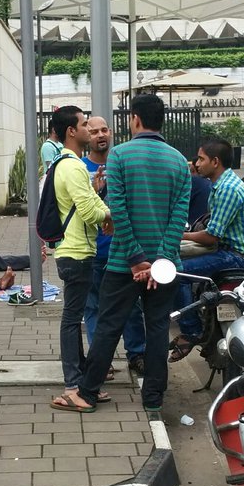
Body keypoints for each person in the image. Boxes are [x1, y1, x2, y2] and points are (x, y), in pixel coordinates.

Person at [54, 93, 191, 416]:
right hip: (164, 266)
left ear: (135, 119)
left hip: (122, 264)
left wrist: (135, 259)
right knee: (157, 328)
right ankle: (154, 398)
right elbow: (177, 219)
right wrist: (158, 261)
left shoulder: (119, 157)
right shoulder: (178, 162)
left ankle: (86, 394)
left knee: (108, 327)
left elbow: (119, 213)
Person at [170, 138, 244, 361]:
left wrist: (179, 234)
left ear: (216, 161)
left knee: (176, 274)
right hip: (227, 251)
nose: (197, 163)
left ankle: (191, 332)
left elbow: (211, 237)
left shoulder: (227, 189)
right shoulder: (220, 183)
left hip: (237, 257)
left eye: (201, 159)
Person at [48, 106, 112, 399]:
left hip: (75, 250)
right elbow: (87, 209)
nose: (90, 129)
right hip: (75, 253)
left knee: (74, 317)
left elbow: (88, 201)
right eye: (85, 124)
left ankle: (83, 377)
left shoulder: (67, 163)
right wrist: (112, 215)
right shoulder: (72, 166)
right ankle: (73, 384)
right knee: (72, 319)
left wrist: (100, 203)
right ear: (72, 132)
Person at [82, 114, 146, 376]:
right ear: (87, 136)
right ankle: (101, 360)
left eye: (104, 129)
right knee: (94, 306)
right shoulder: (79, 168)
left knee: (132, 306)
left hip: (124, 250)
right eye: (94, 131)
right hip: (94, 249)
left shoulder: (123, 162)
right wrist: (97, 192)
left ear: (111, 132)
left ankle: (137, 354)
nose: (100, 135)